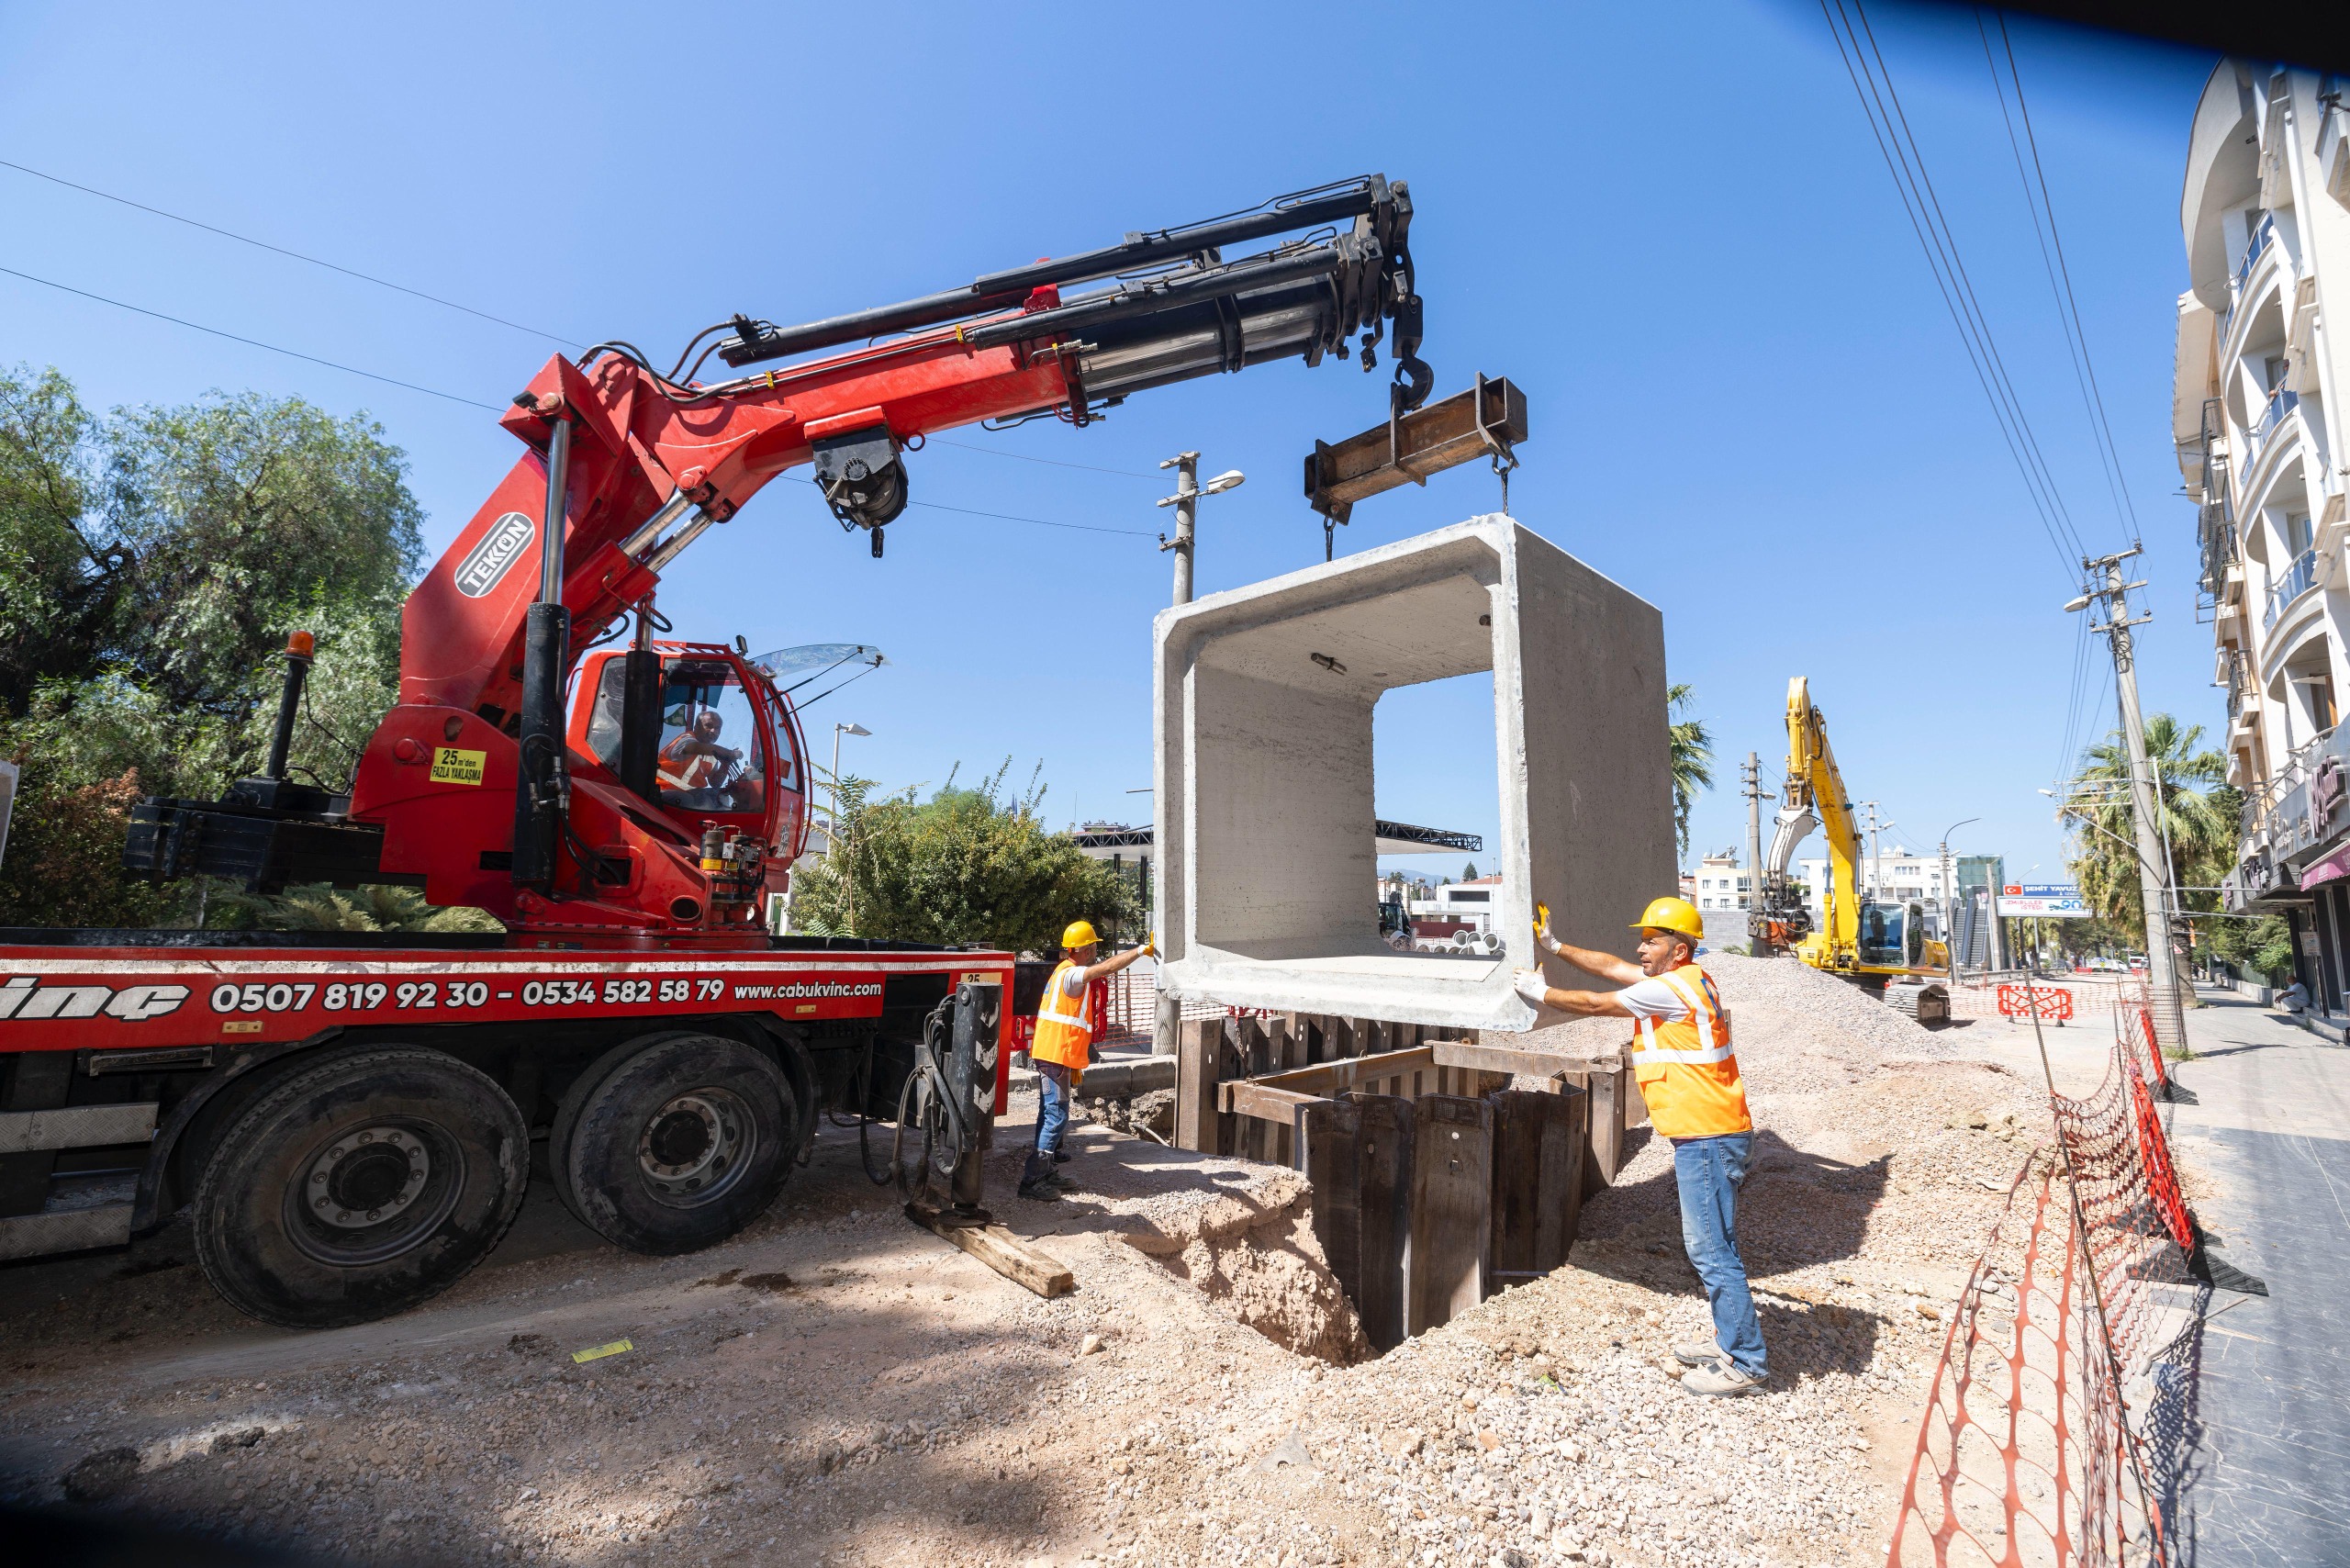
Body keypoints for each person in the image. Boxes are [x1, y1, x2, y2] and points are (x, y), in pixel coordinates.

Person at [1511, 896, 1766, 1396]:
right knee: (1714, 1246)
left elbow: (1595, 1003)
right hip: (1711, 1132)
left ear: (1679, 949)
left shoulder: (1671, 991)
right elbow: (1610, 968)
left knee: (1712, 1251)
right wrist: (1555, 945)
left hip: (1708, 1137)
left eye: (1652, 941)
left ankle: (1746, 1363)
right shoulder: (1688, 980)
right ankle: (1730, 1341)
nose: (1641, 948)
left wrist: (1541, 991)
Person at [1021, 920, 1155, 1200]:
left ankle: (1045, 1173)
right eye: (1093, 945)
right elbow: (1107, 968)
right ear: (1085, 948)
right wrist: (1140, 951)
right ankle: (1032, 1180)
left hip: (1057, 1054)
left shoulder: (1064, 971)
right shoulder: (1071, 975)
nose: (1095, 950)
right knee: (1056, 1116)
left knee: (1049, 1113)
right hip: (1055, 1054)